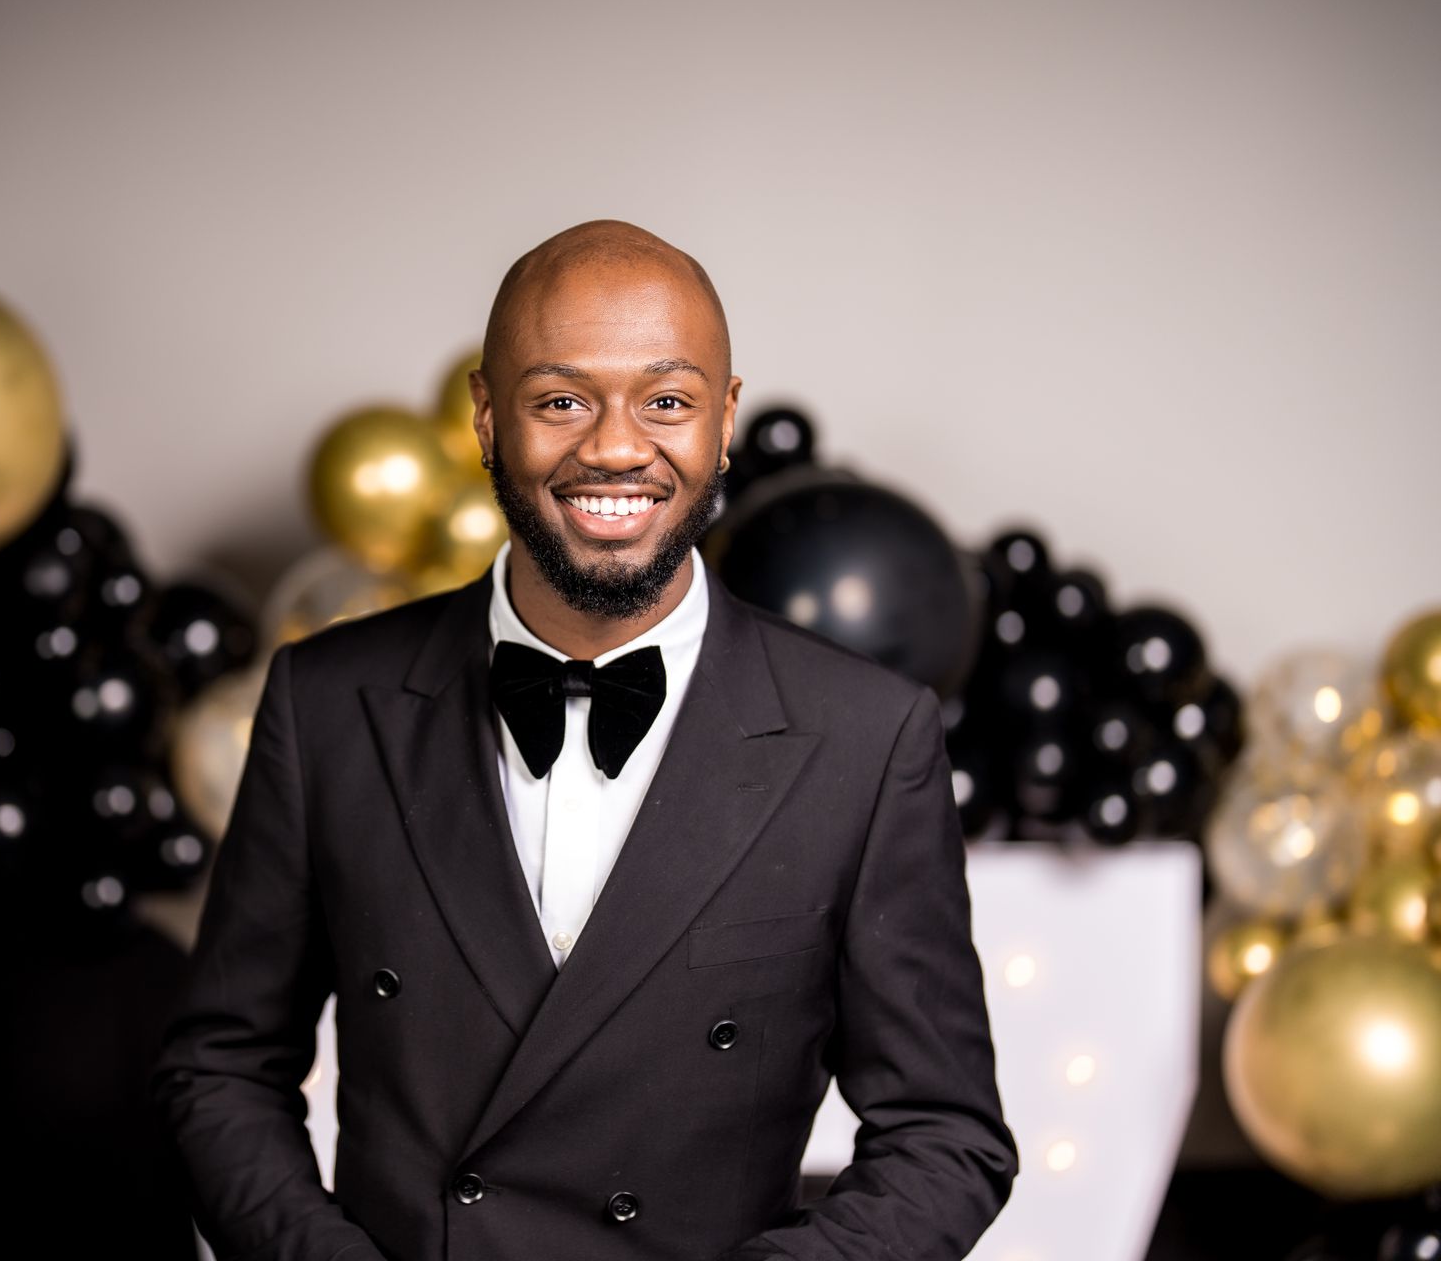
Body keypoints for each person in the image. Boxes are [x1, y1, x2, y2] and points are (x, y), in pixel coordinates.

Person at [155, 220, 1016, 1260]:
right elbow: (221, 1067)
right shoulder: (329, 702)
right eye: (561, 400)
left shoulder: (868, 738)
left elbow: (946, 1132)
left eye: (668, 401)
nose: (615, 446)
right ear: (485, 415)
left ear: (726, 418)